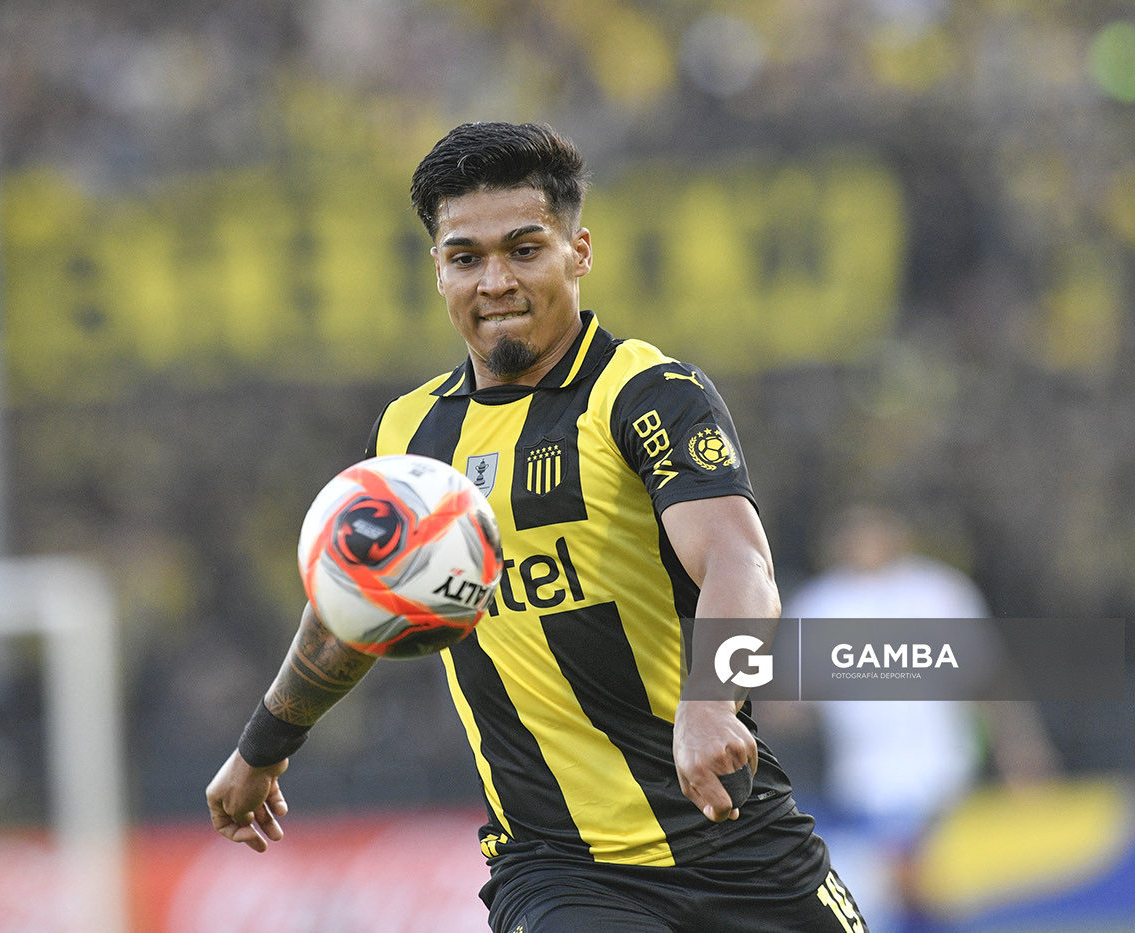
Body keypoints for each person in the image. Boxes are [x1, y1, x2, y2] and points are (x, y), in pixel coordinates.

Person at [207, 122, 868, 932]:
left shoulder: (644, 393)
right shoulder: (409, 437)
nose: (495, 281)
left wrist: (709, 700)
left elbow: (738, 563)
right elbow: (352, 607)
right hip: (560, 869)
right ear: (438, 271)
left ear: (577, 252)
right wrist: (264, 745)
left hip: (737, 837)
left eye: (524, 249)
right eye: (466, 258)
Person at [784, 503, 1056, 930]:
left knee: (922, 882)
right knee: (894, 894)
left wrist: (1020, 745)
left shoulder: (938, 591)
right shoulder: (820, 604)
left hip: (941, 768)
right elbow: (789, 699)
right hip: (862, 776)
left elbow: (988, 675)